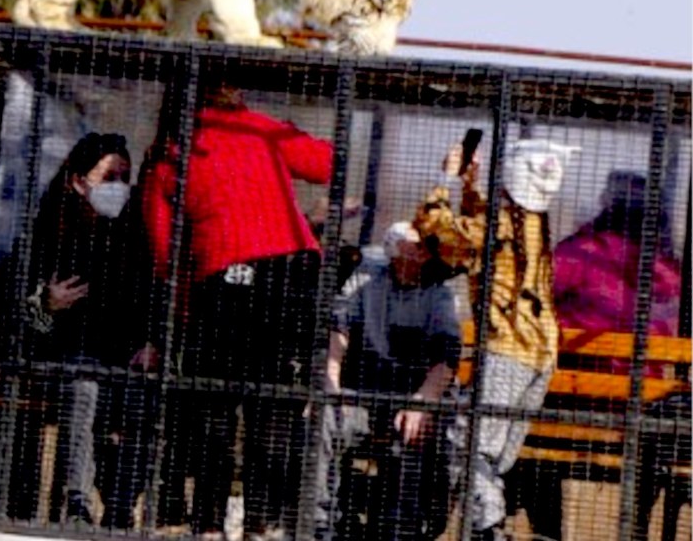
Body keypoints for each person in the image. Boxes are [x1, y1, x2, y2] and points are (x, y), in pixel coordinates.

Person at [140, 82, 333, 541]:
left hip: (222, 281)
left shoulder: (168, 152)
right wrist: (288, 134)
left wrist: (189, 303)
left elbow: (163, 252)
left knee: (215, 407)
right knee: (275, 410)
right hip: (290, 276)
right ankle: (261, 526)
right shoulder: (260, 129)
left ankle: (207, 525)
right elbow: (327, 163)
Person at [412, 137, 578, 541]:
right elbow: (480, 237)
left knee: (467, 445)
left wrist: (446, 178)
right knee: (490, 458)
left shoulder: (501, 224)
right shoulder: (531, 221)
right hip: (538, 358)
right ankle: (486, 525)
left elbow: (433, 227)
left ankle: (489, 531)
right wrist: (470, 186)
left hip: (507, 353)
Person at [8, 132, 157, 528]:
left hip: (123, 359)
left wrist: (151, 343)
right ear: (78, 181)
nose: (118, 188)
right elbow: (16, 315)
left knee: (144, 397)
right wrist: (47, 303)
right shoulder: (50, 233)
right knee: (84, 387)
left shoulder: (135, 237)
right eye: (108, 177)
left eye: (124, 178)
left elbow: (154, 299)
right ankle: (77, 501)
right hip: (66, 357)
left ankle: (121, 507)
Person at [318, 221, 462, 541]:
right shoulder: (368, 279)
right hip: (366, 392)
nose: (423, 253)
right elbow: (339, 329)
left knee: (420, 431)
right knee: (325, 415)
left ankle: (403, 528)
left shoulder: (441, 294)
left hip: (416, 397)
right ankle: (320, 524)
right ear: (396, 253)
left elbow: (446, 358)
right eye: (415, 246)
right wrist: (331, 383)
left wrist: (422, 402)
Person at [554, 170, 681, 353]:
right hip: (645, 372)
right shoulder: (666, 265)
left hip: (580, 365)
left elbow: (539, 296)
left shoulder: (584, 252)